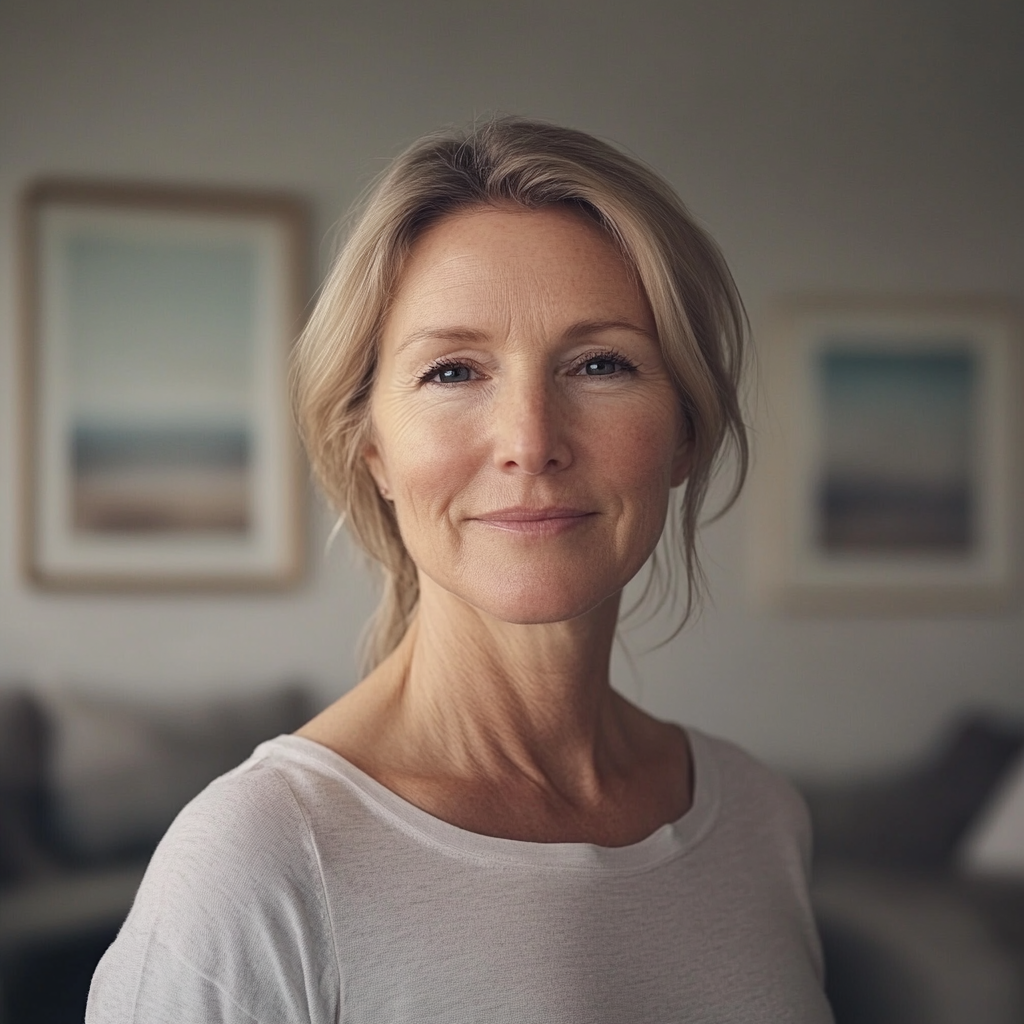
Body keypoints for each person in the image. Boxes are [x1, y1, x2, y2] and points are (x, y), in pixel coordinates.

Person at [88, 116, 834, 1023]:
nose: (529, 442)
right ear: (369, 446)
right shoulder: (265, 859)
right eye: (452, 372)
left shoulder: (760, 819)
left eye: (601, 364)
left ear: (682, 432)